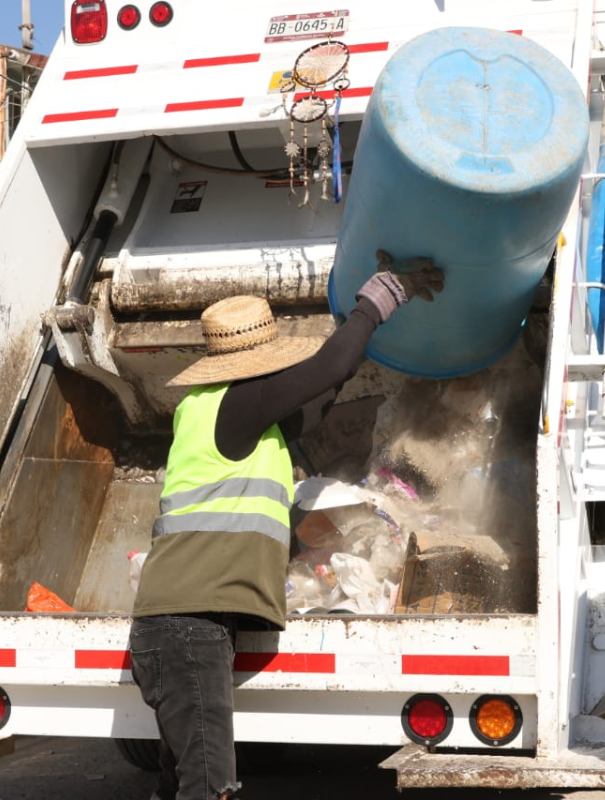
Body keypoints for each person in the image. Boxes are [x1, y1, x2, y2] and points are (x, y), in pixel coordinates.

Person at [128, 251, 444, 800]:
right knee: (210, 787)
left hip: (179, 625)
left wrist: (349, 328)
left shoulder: (216, 412)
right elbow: (329, 369)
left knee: (179, 781)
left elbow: (316, 402)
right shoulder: (237, 404)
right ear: (256, 361)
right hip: (187, 628)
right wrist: (382, 296)